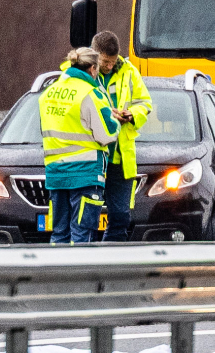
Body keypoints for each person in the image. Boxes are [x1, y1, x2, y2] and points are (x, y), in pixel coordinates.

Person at [39, 47, 119, 244]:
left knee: (59, 234)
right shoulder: (91, 94)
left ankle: (57, 273)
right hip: (85, 175)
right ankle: (77, 275)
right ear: (92, 68)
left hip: (56, 174)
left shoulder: (48, 93)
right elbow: (107, 135)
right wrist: (115, 119)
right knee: (82, 235)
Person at [91, 32, 152, 243]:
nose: (108, 66)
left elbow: (145, 103)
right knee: (88, 217)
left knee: (120, 216)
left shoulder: (129, 72)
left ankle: (109, 260)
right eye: (105, 62)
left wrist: (132, 114)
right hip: (92, 158)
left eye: (112, 62)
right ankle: (87, 260)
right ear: (94, 55)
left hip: (120, 158)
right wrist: (108, 113)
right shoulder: (82, 74)